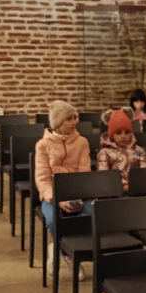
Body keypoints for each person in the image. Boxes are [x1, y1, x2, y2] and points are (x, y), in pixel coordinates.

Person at [34, 100, 91, 279]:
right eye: (69, 119)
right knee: (53, 220)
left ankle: (61, 249)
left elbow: (84, 175)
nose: (74, 122)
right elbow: (43, 179)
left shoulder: (82, 142)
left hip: (78, 194)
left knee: (90, 215)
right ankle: (69, 254)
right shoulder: (43, 145)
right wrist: (58, 200)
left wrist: (77, 198)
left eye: (75, 118)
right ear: (58, 122)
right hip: (53, 197)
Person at [97, 108, 146, 192]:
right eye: (118, 133)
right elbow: (104, 176)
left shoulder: (139, 150)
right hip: (115, 191)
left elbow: (145, 173)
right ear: (111, 135)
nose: (123, 136)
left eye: (127, 132)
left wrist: (134, 186)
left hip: (138, 189)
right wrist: (123, 186)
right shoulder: (104, 153)